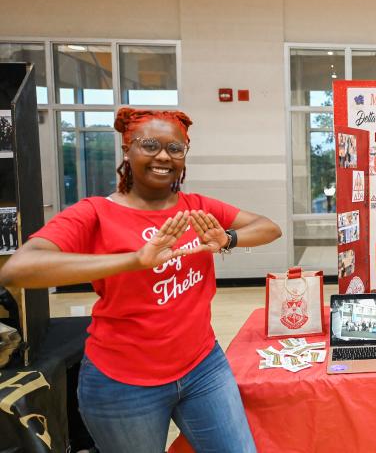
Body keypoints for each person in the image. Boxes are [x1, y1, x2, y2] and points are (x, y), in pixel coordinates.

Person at [0, 108, 283, 453]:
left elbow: (268, 227)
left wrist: (227, 239)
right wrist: (135, 260)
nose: (163, 156)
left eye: (175, 148)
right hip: (123, 384)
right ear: (127, 149)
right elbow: (19, 268)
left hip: (203, 368)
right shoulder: (95, 213)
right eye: (150, 145)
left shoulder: (196, 207)